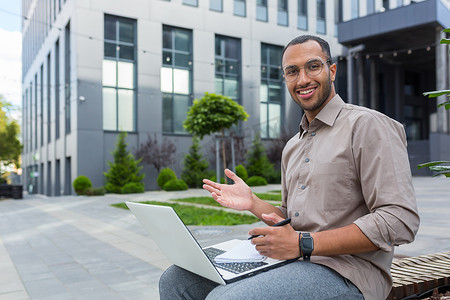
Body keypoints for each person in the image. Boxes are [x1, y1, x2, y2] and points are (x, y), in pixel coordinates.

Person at [159, 35, 420, 300]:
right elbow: (291, 217)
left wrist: (302, 244)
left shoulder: (368, 126)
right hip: (294, 261)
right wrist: (253, 203)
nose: (303, 79)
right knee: (177, 279)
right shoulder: (293, 146)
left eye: (313, 66)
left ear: (332, 70)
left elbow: (399, 220)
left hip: (349, 272)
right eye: (292, 72)